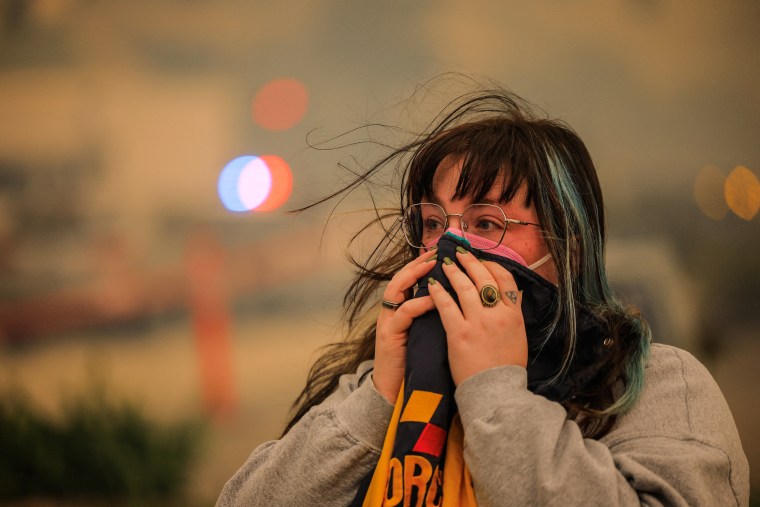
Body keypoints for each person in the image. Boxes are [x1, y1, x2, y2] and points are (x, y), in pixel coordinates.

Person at [216, 81, 749, 506]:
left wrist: (495, 390)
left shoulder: (654, 385)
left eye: (487, 222)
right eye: (432, 222)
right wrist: (377, 399)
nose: (450, 244)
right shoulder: (380, 381)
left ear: (570, 248)